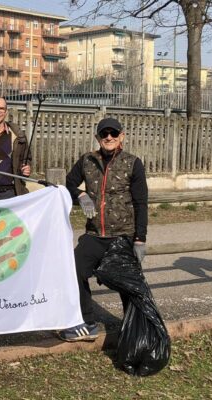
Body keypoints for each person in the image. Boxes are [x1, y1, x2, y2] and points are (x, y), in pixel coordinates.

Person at [60, 117, 148, 342]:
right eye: (104, 134)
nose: (109, 137)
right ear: (98, 137)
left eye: (114, 133)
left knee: (127, 282)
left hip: (122, 235)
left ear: (122, 136)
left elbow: (141, 202)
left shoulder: (133, 163)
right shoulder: (87, 160)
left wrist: (139, 239)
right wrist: (80, 194)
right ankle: (86, 322)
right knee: (74, 269)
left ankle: (133, 330)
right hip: (95, 235)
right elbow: (69, 182)